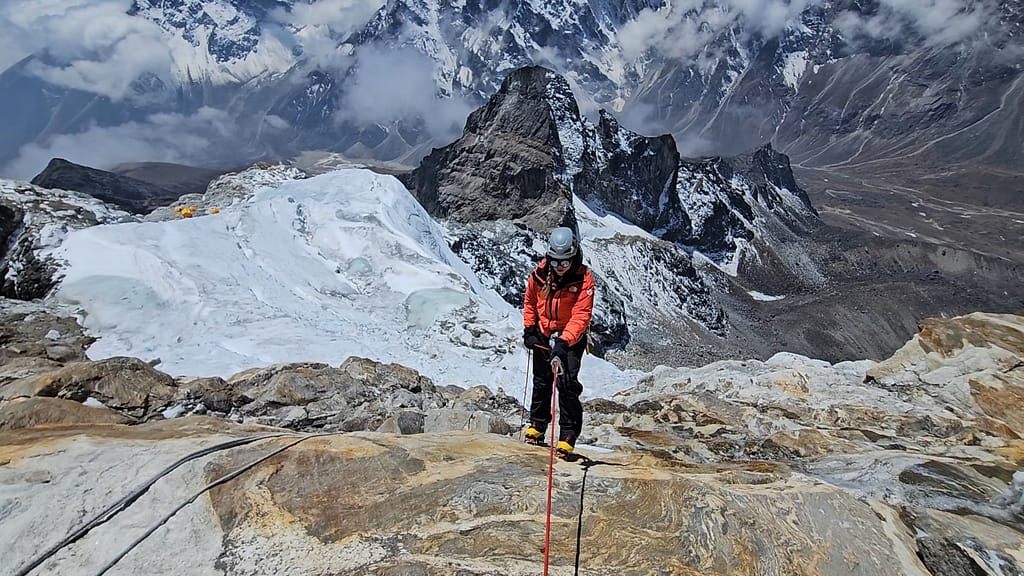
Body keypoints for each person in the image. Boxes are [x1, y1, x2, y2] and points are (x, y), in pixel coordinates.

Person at [522, 226, 595, 457]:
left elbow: (582, 315)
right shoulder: (540, 274)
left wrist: (564, 342)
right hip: (544, 333)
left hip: (570, 339)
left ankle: (568, 434)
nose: (560, 268)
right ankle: (537, 424)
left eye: (564, 263)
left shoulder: (584, 279)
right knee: (542, 380)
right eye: (555, 262)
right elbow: (530, 301)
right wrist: (530, 329)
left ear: (573, 257)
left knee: (567, 384)